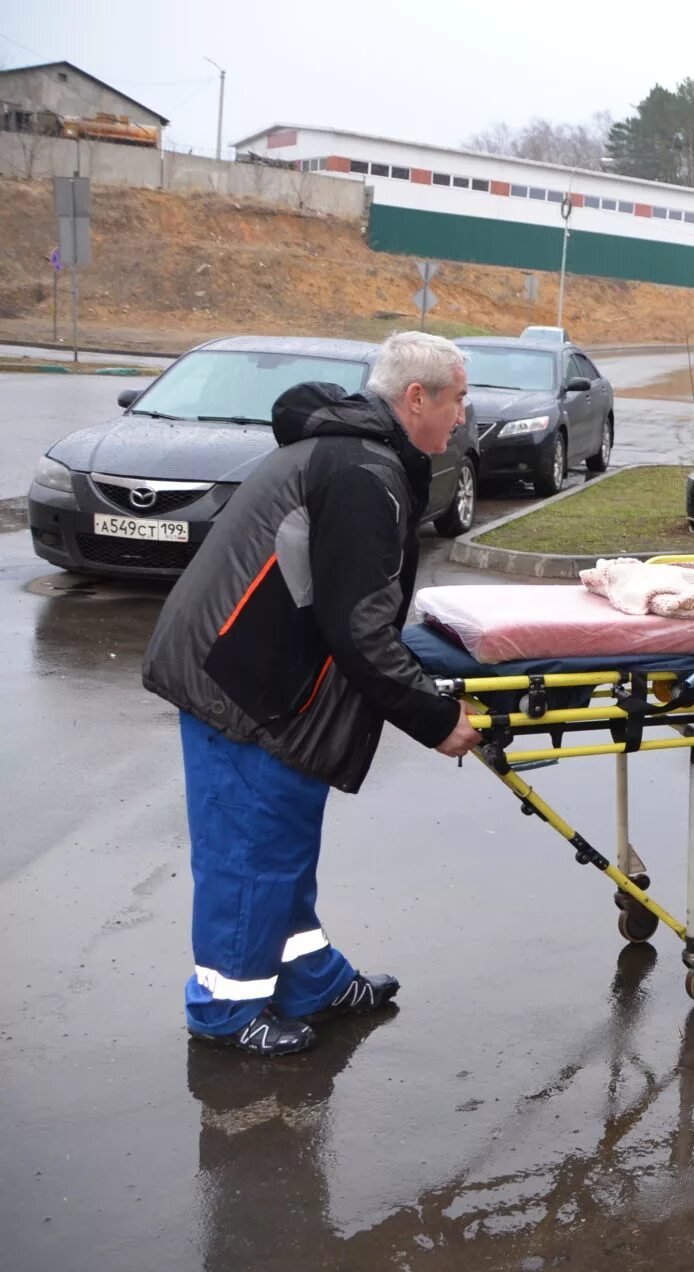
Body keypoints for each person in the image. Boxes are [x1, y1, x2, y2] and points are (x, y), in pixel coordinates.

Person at [143, 331, 482, 1056]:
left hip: (267, 674)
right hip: (244, 685)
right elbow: (359, 626)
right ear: (416, 397)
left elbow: (352, 609)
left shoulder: (361, 455)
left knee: (282, 849)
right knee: (250, 853)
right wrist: (435, 716)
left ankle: (310, 981)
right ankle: (227, 1011)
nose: (463, 417)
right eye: (457, 399)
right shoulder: (362, 471)